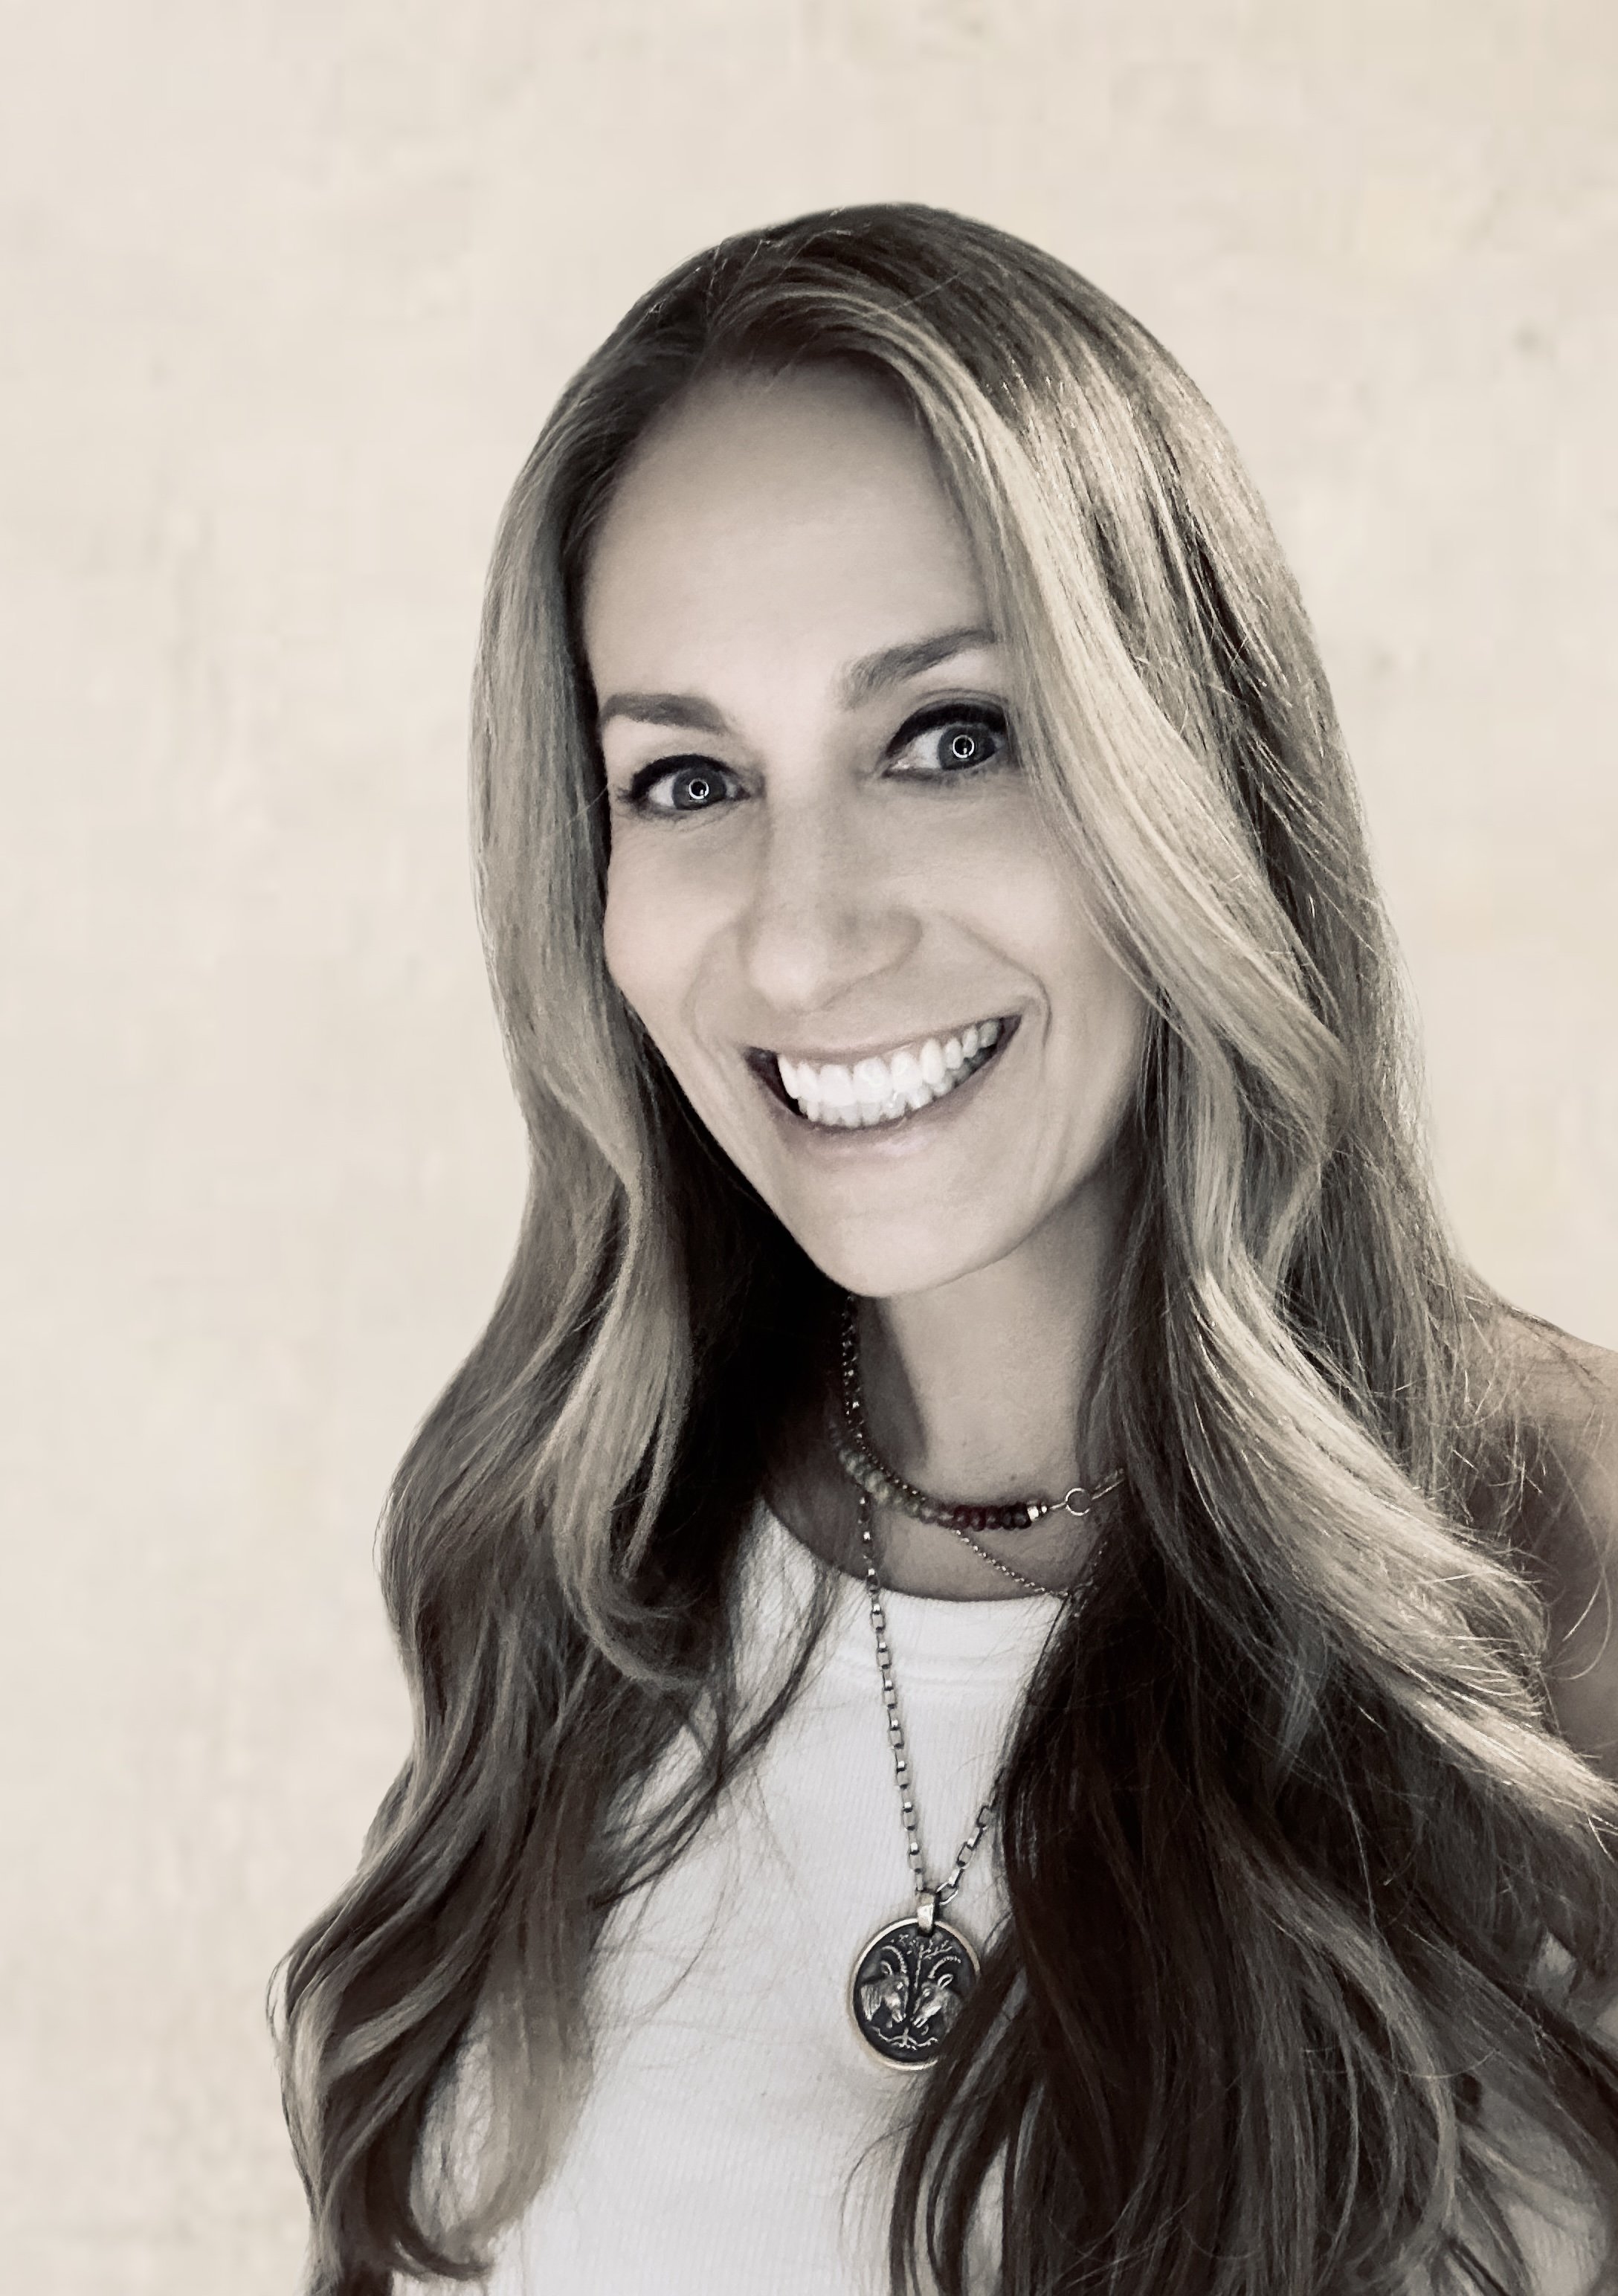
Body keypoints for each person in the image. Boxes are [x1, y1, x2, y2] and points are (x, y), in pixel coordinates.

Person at [274, 205, 1618, 2296]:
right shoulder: (578, 1568)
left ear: (1198, 775)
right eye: (688, 777)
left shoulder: (1556, 1590)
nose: (806, 934)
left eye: (951, 737)